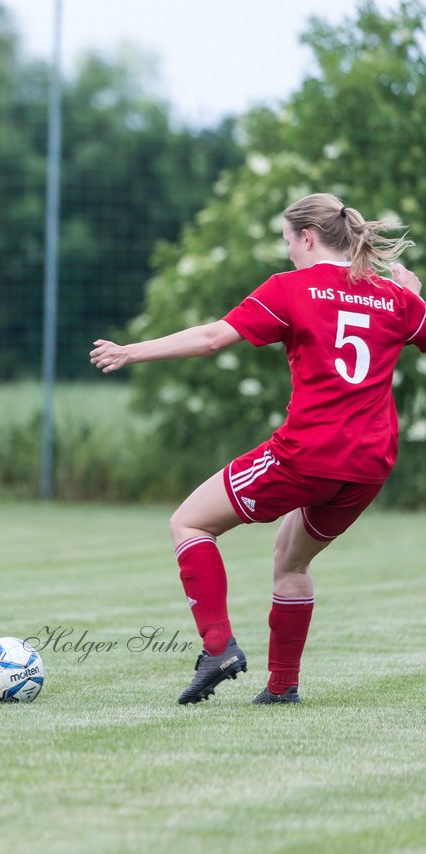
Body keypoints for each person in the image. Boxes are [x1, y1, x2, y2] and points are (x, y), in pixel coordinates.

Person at [89, 193, 423, 705]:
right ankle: (282, 686)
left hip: (306, 455)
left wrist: (130, 351)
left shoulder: (290, 289)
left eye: (288, 241)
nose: (287, 251)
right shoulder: (393, 298)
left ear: (307, 238)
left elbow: (209, 339)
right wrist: (415, 295)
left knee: (190, 523)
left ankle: (218, 647)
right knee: (291, 562)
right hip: (368, 466)